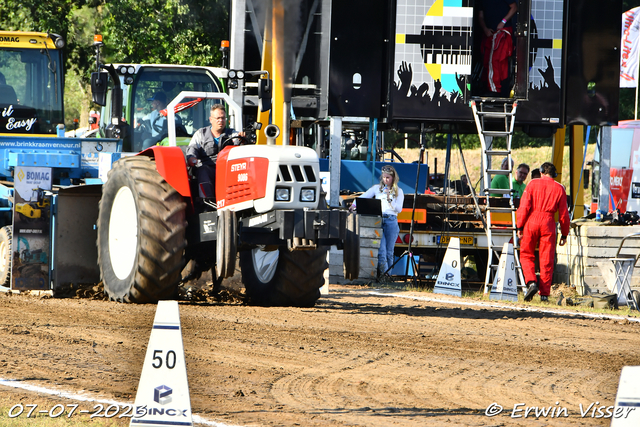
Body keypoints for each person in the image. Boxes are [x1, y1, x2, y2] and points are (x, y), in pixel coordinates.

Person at [516, 162, 570, 302]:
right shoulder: (560, 188)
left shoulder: (533, 184)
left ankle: (532, 282)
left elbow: (524, 206)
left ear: (541, 172)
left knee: (526, 254)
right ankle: (544, 295)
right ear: (555, 174)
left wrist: (519, 226)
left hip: (532, 221)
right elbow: (564, 215)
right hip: (548, 223)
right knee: (547, 259)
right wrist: (564, 234)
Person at [349, 165, 405, 278]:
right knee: (381, 250)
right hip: (379, 219)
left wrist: (390, 199)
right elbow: (363, 197)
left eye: (388, 177)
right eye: (384, 177)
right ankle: (384, 275)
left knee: (389, 251)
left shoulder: (399, 191)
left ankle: (388, 275)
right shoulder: (377, 188)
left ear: (393, 178)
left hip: (391, 220)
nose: (386, 180)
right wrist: (354, 205)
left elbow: (399, 209)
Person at [186, 104, 243, 199]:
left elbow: (240, 146)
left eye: (223, 118)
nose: (220, 120)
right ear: (211, 119)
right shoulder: (201, 134)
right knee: (203, 171)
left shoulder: (233, 134)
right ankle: (207, 202)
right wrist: (191, 157)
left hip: (227, 168)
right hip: (208, 167)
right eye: (218, 118)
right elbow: (193, 148)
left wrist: (243, 141)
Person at [477, 0, 518, 95]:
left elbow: (514, 7)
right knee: (487, 61)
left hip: (503, 31)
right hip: (488, 33)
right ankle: (489, 88)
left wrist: (503, 22)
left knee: (496, 61)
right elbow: (480, 16)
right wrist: (485, 29)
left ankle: (495, 91)